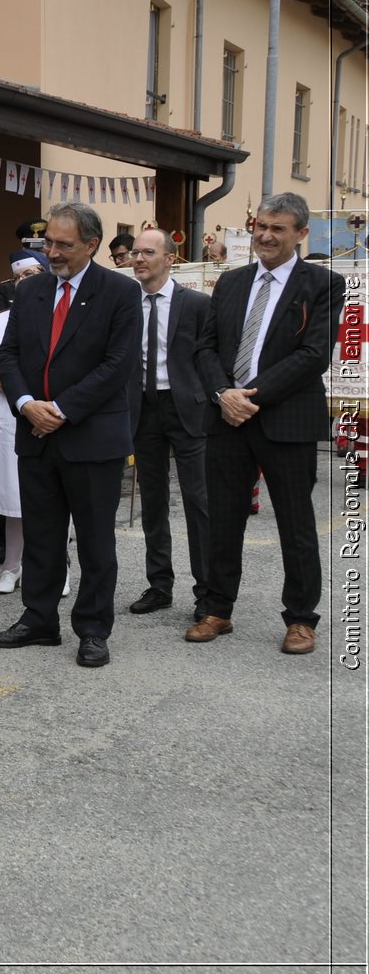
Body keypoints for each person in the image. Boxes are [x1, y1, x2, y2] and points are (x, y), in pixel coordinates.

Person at [0, 202, 140, 668]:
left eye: (63, 245)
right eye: (47, 242)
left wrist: (64, 409)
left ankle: (93, 629)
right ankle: (38, 619)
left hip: (91, 438)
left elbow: (118, 364)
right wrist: (25, 403)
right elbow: (8, 356)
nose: (51, 251)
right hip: (35, 434)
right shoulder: (28, 292)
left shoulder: (119, 292)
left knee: (94, 540)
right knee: (43, 535)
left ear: (92, 245)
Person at [190, 192, 345, 654]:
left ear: (301, 234)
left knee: (296, 524)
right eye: (261, 225)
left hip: (286, 421)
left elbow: (313, 354)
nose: (265, 235)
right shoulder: (232, 283)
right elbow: (206, 347)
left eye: (278, 228)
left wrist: (248, 396)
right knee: (223, 520)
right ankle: (217, 609)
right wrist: (223, 394)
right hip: (227, 419)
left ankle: (301, 619)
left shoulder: (323, 284)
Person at [126, 228, 213, 620]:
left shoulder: (195, 304)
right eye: (134, 252)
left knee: (199, 501)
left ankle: (207, 591)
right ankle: (159, 585)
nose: (138, 259)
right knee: (153, 500)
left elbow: (210, 357)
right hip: (143, 409)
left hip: (187, 408)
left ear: (170, 259)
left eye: (147, 252)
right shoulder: (125, 304)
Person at [0, 249, 48, 594]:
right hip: (13, 415)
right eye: (20, 277)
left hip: (51, 417)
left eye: (34, 273)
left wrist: (39, 402)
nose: (26, 281)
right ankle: (12, 567)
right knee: (13, 497)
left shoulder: (58, 312)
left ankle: (56, 567)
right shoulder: (5, 319)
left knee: (52, 498)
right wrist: (28, 398)